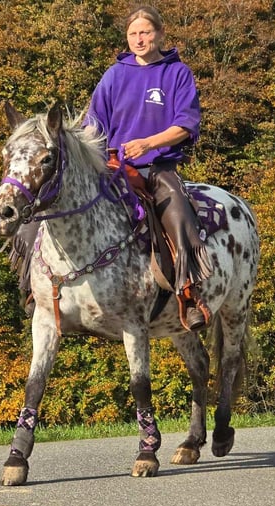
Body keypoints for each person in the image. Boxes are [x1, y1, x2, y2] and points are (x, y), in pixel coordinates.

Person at [84, 5, 212, 330]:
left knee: (179, 213)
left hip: (158, 166)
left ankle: (188, 293)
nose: (139, 39)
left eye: (145, 32)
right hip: (115, 166)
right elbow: (93, 123)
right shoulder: (114, 74)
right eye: (133, 34)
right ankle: (38, 287)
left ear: (159, 34)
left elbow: (186, 124)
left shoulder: (177, 73)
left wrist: (148, 143)